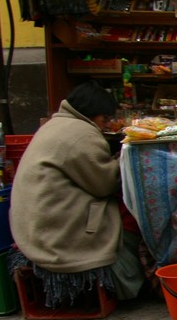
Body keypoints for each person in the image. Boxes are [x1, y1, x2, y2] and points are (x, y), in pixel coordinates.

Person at [9, 80, 147, 307]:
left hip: (34, 228)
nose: (106, 126)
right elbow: (104, 184)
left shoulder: (54, 125)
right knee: (129, 214)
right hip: (58, 235)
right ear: (92, 114)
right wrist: (121, 160)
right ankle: (133, 278)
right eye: (104, 120)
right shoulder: (82, 134)